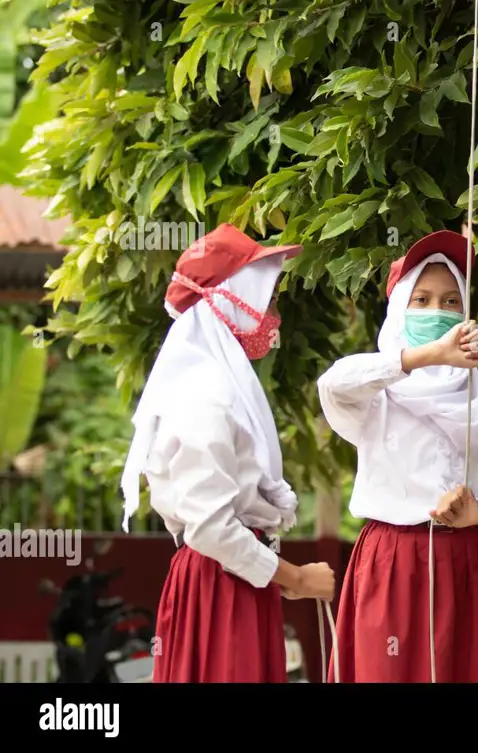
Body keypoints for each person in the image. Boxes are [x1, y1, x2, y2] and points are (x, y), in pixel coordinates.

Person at [318, 229, 478, 682]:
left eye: (449, 301)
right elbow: (333, 384)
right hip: (391, 563)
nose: (437, 310)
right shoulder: (377, 394)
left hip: (467, 563)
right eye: (420, 299)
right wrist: (423, 356)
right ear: (398, 309)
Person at [120, 223, 336, 683]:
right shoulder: (207, 394)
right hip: (219, 583)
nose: (274, 313)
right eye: (268, 298)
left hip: (230, 578)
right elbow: (211, 527)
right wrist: (296, 578)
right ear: (233, 299)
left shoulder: (213, 383)